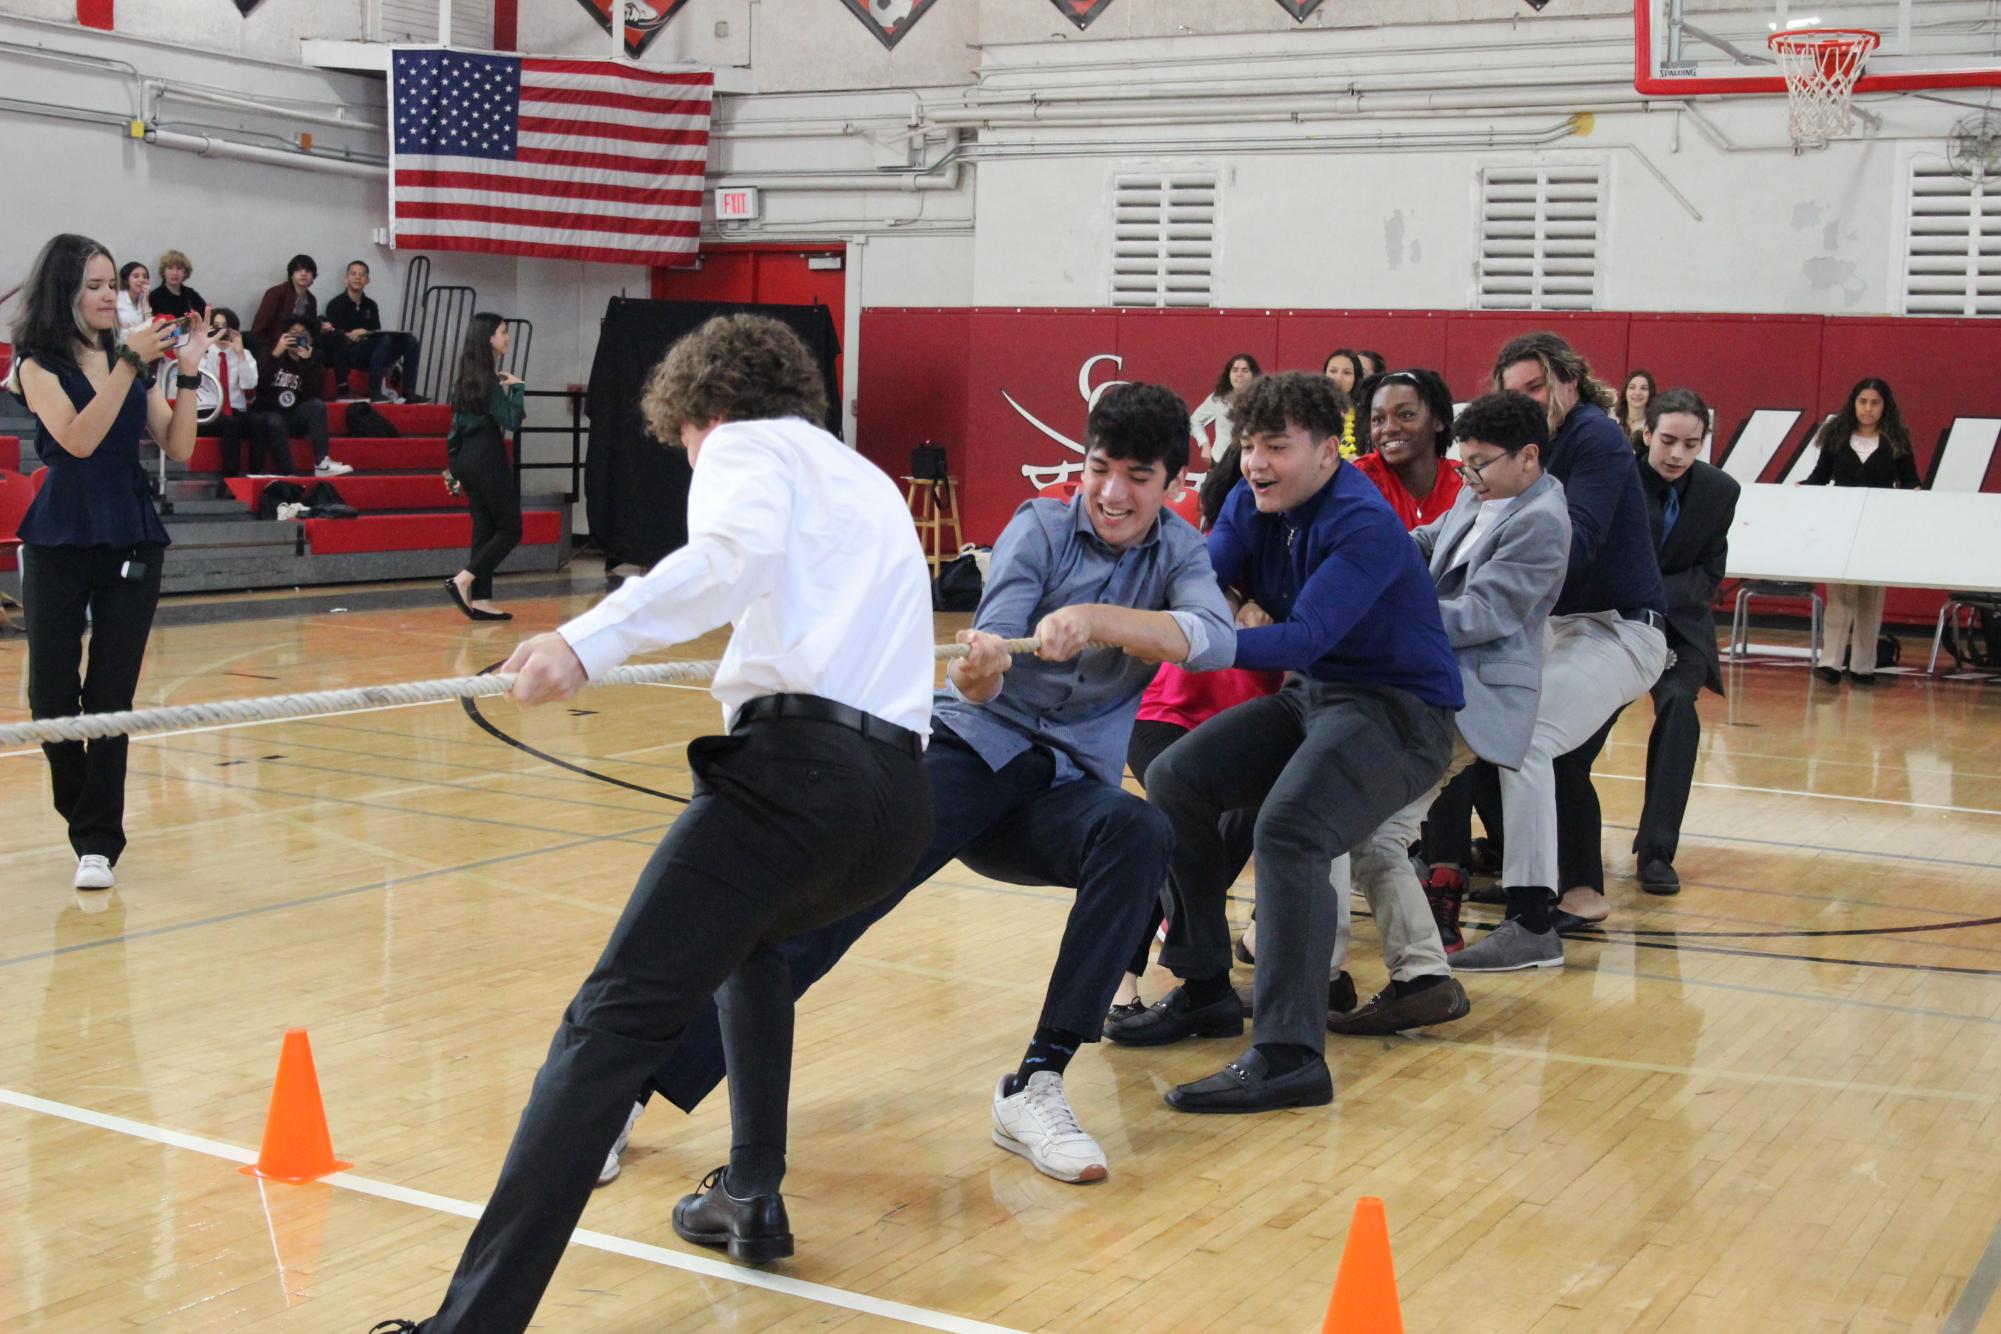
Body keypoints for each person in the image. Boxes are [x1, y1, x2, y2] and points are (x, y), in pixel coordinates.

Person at [378, 314, 939, 1333]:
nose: (689, 456)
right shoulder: (860, 478)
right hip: (893, 806)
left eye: (682, 440)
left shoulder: (740, 441)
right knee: (753, 947)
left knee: (604, 1032)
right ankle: (751, 1191)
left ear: (699, 408)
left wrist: (590, 639)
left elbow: (728, 555)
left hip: (795, 779)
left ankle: (468, 1327)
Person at [591, 379, 1237, 1196]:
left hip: (1058, 791)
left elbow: (1212, 641)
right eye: (1099, 468)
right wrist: (982, 670)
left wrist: (1099, 618)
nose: (1112, 493)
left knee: (1138, 832)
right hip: (968, 755)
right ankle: (627, 1092)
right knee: (820, 919)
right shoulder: (1038, 528)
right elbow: (983, 673)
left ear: (1171, 483)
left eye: (1137, 477)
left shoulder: (1179, 551)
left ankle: (1035, 1083)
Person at [1111, 371, 1462, 1113]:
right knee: (1177, 777)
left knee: (1292, 828)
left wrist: (1189, 638)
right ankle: (1205, 986)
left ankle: (1289, 1053)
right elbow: (1204, 579)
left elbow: (1304, 634)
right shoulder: (1248, 498)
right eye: (1246, 444)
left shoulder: (1363, 525)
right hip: (1315, 696)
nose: (1255, 462)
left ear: (1328, 452)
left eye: (1275, 445)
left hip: (1400, 714)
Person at [1330, 391, 1570, 1033]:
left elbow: (1485, 616)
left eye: (1480, 465)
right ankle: (1419, 979)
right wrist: (1369, 549)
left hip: (1475, 697)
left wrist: (1380, 613)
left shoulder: (1543, 520)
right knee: (1371, 835)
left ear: (1528, 457)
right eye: (1462, 465)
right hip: (1435, 685)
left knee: (1373, 832)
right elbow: (1430, 540)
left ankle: (1405, 977)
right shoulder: (1485, 489)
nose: (1467, 477)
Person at [1446, 331, 1668, 969]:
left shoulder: (1594, 437)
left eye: (1538, 387)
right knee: (1473, 723)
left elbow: (1580, 543)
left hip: (1618, 628)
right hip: (1555, 625)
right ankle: (1503, 877)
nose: (1527, 400)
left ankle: (1532, 919)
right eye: (1513, 392)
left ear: (1571, 381)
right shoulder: (1496, 461)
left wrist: (1485, 595)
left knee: (1528, 736)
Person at [4, 233, 205, 891]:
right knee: (51, 695)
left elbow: (179, 446)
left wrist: (189, 375)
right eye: (93, 284)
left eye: (111, 283)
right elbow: (79, 439)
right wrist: (126, 361)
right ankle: (82, 810)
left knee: (111, 696)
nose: (107, 295)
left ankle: (98, 842)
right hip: (60, 532)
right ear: (65, 291)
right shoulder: (36, 364)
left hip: (131, 532)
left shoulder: (135, 363)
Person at [1117, 429, 1283, 1015]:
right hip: (1168, 712)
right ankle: (1126, 973)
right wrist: (1236, 602)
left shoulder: (1317, 545)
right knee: (1174, 830)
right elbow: (1196, 589)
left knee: (1231, 829)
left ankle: (1205, 971)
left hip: (1248, 718)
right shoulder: (1211, 544)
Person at [1553, 387, 1739, 911]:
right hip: (1612, 626)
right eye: (1668, 441)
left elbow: (1710, 574)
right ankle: (1553, 852)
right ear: (1646, 433)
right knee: (1573, 742)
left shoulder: (1721, 491)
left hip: (1680, 630)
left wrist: (1653, 592)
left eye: (1691, 443)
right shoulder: (1615, 475)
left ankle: (1656, 850)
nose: (1677, 455)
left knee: (1680, 706)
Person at [1801, 376, 1921, 686]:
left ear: (1885, 407)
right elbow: (1820, 476)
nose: (1868, 409)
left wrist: (1915, 497)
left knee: (1871, 598)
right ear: (1853, 404)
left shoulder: (1897, 440)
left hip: (1878, 529)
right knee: (1840, 597)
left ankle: (1863, 666)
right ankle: (1830, 663)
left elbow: (1910, 481)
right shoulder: (1836, 436)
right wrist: (1799, 490)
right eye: (1863, 402)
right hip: (1840, 526)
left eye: (1875, 403)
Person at [444, 313, 524, 621]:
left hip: (466, 457)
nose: (507, 337)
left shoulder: (464, 380)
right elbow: (512, 421)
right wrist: (517, 388)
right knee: (510, 528)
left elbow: (454, 429)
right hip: (487, 454)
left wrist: (453, 467)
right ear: (489, 337)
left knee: (485, 528)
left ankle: (481, 598)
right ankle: (463, 580)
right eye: (504, 332)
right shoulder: (489, 382)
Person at [1351, 369, 1464, 529]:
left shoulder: (1465, 482)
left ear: (1438, 420)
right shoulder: (1362, 479)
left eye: (1405, 415)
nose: (1389, 428)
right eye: (1378, 419)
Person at [248, 316, 350, 477]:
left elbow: (314, 394)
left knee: (317, 405)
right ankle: (289, 473)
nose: (297, 337)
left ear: (309, 338)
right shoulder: (270, 355)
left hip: (295, 416)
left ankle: (322, 462)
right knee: (274, 420)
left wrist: (307, 363)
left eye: (302, 333)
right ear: (284, 336)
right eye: (292, 333)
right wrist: (275, 354)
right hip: (270, 413)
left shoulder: (314, 362)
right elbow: (259, 384)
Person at [324, 260, 423, 403]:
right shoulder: (335, 304)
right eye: (353, 274)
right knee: (385, 339)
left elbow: (376, 331)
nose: (357, 277)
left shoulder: (371, 305)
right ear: (346, 278)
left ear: (367, 280)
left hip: (374, 352)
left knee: (410, 341)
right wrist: (353, 335)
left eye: (362, 275)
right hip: (350, 353)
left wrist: (365, 332)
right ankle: (374, 391)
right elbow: (335, 337)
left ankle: (409, 392)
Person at [200, 307, 259, 494]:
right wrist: (202, 347)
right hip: (207, 411)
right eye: (216, 327)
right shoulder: (205, 351)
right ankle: (230, 480)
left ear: (233, 330)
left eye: (225, 327)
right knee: (231, 424)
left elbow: (249, 384)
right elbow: (195, 380)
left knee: (260, 422)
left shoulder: (244, 353)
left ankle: (257, 475)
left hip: (236, 409)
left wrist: (240, 354)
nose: (220, 331)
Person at [1189, 352, 1258, 464]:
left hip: (1251, 462)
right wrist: (1204, 444)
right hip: (1221, 461)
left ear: (1253, 374)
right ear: (1228, 374)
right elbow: (1194, 421)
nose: (1239, 374)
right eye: (1235, 370)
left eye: (1245, 370)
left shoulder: (1262, 399)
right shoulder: (1218, 398)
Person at [251, 253, 326, 353]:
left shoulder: (311, 299)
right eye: (298, 270)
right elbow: (259, 328)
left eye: (308, 271)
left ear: (313, 277)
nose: (303, 273)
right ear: (291, 275)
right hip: (276, 345)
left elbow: (310, 330)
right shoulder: (276, 293)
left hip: (300, 344)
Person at [1322, 350, 1365, 457]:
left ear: (1356, 378)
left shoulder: (1365, 413)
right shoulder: (1312, 410)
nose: (1338, 378)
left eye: (1347, 373)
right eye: (1333, 371)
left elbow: (1345, 442)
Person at [147, 249, 206, 323]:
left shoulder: (191, 295)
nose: (174, 273)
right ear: (163, 271)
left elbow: (205, 316)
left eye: (179, 268)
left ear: (185, 272)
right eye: (170, 268)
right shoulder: (154, 297)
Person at [1617, 368, 1656, 443]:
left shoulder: (1653, 426)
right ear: (1625, 391)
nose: (1637, 393)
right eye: (1632, 387)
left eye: (1644, 388)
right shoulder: (1612, 419)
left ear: (1650, 393)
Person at [114, 261, 150, 338]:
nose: (142, 280)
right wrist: (141, 327)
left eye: (145, 277)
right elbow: (116, 330)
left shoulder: (143, 298)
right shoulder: (117, 298)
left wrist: (145, 302)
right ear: (126, 280)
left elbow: (150, 327)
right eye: (136, 276)